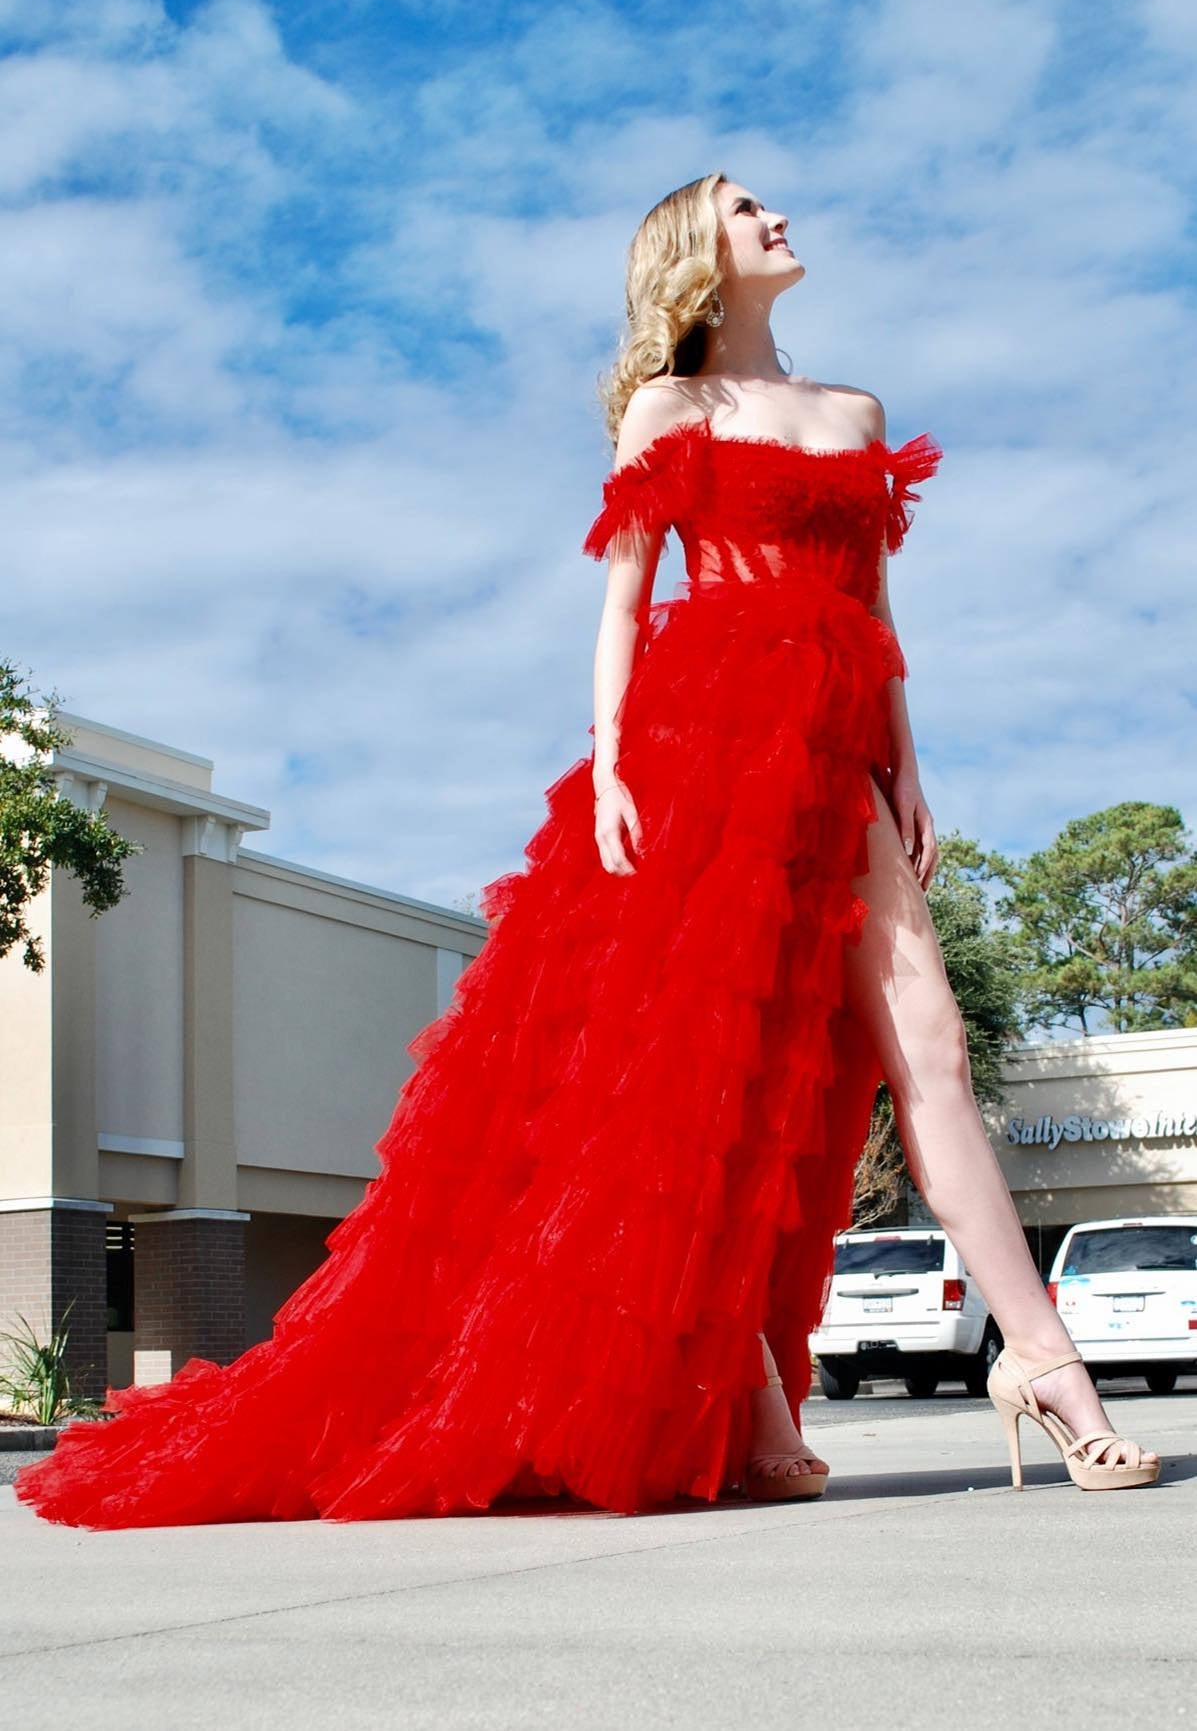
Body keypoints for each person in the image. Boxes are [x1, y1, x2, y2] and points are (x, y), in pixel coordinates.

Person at [14, 172, 1156, 1532]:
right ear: (692, 256)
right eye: (745, 210)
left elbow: (875, 610)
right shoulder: (668, 410)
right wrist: (613, 767)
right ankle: (755, 1409)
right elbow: (623, 599)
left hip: (833, 757)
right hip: (699, 753)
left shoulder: (853, 413)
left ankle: (1042, 1366)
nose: (776, 218)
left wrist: (906, 769)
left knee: (932, 1054)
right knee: (696, 1083)